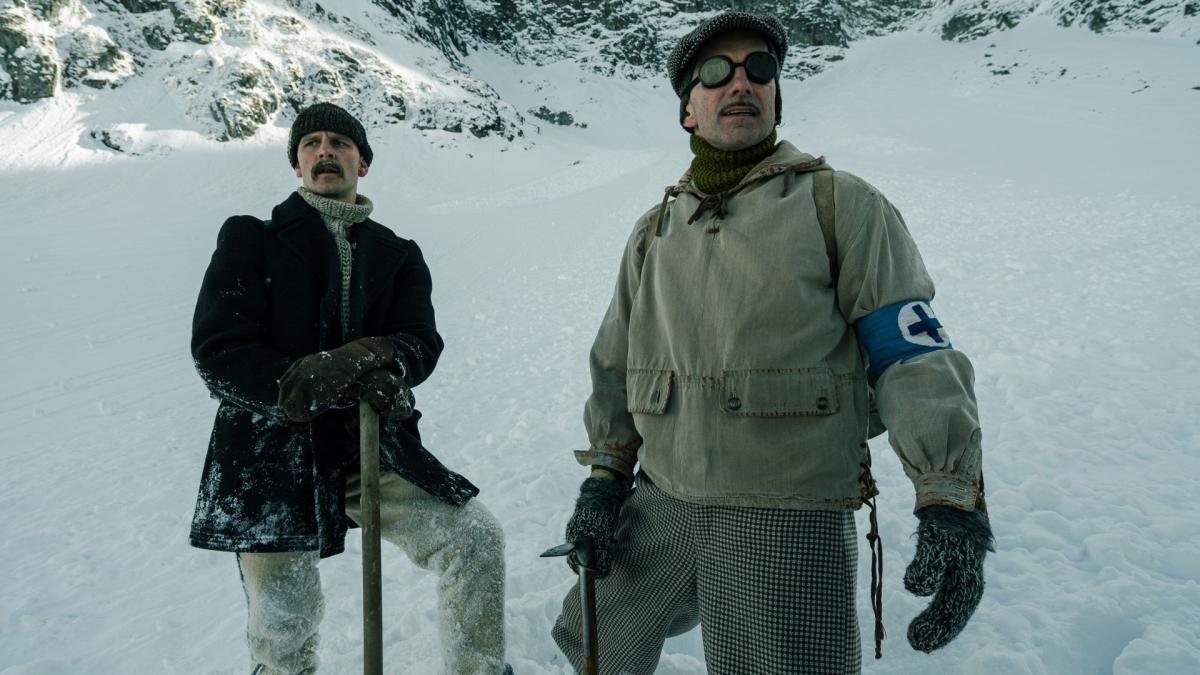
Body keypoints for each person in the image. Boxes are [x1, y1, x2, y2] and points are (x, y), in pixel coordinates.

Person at [552, 12, 994, 675]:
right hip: (663, 499)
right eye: (715, 72)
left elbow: (910, 353)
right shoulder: (655, 231)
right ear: (688, 111)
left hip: (785, 510)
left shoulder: (840, 205)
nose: (740, 83)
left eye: (759, 69)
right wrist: (604, 480)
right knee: (594, 641)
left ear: (776, 96)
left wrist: (949, 495)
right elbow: (615, 363)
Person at [188, 102, 511, 675]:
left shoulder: (398, 254)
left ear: (363, 163)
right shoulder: (250, 240)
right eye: (310, 143)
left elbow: (420, 340)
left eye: (339, 142)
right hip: (269, 458)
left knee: (473, 538)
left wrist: (377, 358)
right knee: (283, 623)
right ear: (296, 165)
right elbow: (220, 351)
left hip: (366, 448)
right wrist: (305, 382)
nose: (325, 151)